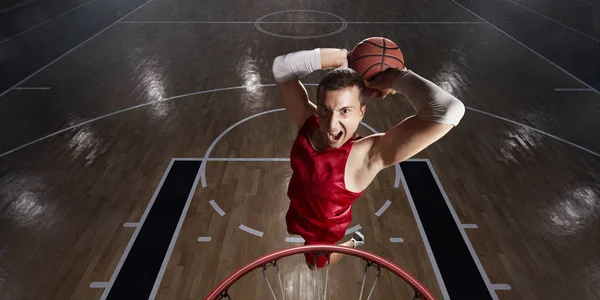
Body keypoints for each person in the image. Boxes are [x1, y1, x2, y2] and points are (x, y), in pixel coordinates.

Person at [272, 48, 465, 269]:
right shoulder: (309, 122)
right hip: (298, 210)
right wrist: (339, 57)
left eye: (345, 111)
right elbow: (281, 67)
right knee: (293, 228)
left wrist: (396, 77)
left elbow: (450, 110)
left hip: (323, 231)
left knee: (318, 264)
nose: (332, 125)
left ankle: (354, 242)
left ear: (361, 112)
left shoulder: (369, 155)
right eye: (326, 109)